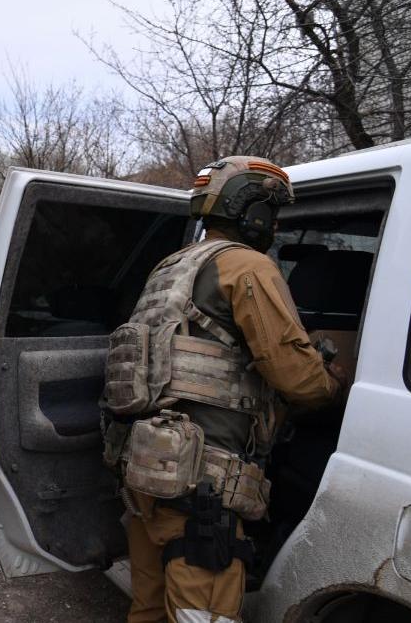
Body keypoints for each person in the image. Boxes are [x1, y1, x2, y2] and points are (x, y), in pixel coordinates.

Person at [105, 156, 347, 623]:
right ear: (253, 211)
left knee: (149, 611)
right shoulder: (246, 267)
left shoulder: (171, 267)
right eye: (271, 214)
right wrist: (338, 387)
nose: (273, 225)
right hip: (204, 491)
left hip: (146, 479)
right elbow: (299, 380)